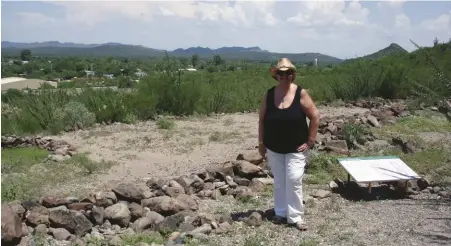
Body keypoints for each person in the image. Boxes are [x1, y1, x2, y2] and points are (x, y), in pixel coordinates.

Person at [258, 58, 320, 231]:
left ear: (292, 74)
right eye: (280, 73)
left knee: (293, 179)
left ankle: (295, 216)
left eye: (287, 73)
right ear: (276, 75)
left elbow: (315, 116)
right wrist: (261, 142)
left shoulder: (301, 93)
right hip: (274, 146)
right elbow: (261, 120)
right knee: (279, 180)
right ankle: (280, 212)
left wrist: (310, 140)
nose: (284, 76)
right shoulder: (269, 94)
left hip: (296, 147)